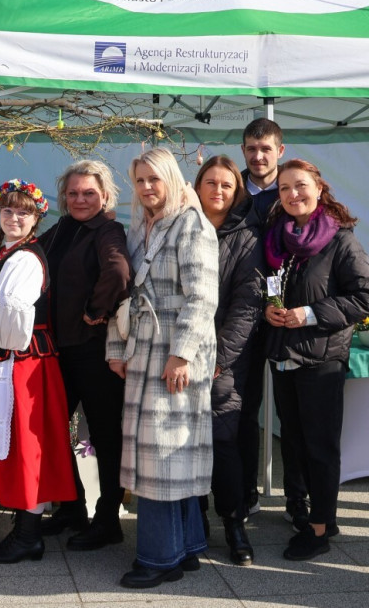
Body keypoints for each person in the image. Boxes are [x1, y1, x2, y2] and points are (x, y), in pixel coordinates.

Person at [106, 148, 219, 588]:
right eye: (139, 181)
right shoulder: (140, 228)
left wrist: (182, 353)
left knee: (164, 456)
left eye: (155, 178)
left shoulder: (192, 224)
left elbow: (203, 297)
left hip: (174, 352)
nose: (147, 187)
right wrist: (117, 347)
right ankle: (186, 546)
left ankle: (159, 558)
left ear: (172, 178)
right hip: (145, 347)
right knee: (162, 454)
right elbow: (126, 294)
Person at [263, 159, 369, 561]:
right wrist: (270, 310)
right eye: (284, 189)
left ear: (319, 188)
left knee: (320, 446)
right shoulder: (278, 239)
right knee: (292, 443)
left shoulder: (340, 240)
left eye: (300, 186)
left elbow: (365, 297)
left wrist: (309, 313)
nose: (293, 194)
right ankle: (305, 511)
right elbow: (272, 288)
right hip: (284, 356)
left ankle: (320, 528)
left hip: (321, 360)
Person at [0, 179, 76, 564]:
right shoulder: (8, 252)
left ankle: (29, 535)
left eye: (23, 212)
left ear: (37, 217)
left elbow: (14, 314)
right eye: (8, 210)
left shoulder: (25, 258)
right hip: (14, 362)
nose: (14, 217)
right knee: (19, 446)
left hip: (23, 366)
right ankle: (25, 528)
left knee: (28, 447)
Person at [35, 160, 131, 550]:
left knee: (106, 437)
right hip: (58, 350)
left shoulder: (107, 229)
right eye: (73, 193)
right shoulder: (59, 230)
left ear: (105, 195)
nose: (79, 199)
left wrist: (95, 311)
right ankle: (71, 506)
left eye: (89, 193)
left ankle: (108, 519)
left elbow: (119, 272)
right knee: (52, 429)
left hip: (93, 352)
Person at [194, 154, 264, 566]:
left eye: (226, 185)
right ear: (197, 186)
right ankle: (196, 519)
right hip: (182, 356)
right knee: (186, 442)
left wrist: (218, 358)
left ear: (236, 191)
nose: (217, 191)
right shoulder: (182, 226)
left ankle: (234, 522)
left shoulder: (247, 236)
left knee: (223, 441)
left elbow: (247, 304)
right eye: (210, 183)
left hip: (225, 361)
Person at [238, 117, 284, 522]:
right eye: (251, 149)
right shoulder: (229, 189)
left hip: (288, 315)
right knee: (244, 406)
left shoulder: (296, 189)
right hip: (243, 315)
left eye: (265, 149)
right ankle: (244, 490)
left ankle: (300, 501)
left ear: (279, 151)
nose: (258, 156)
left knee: (292, 411)